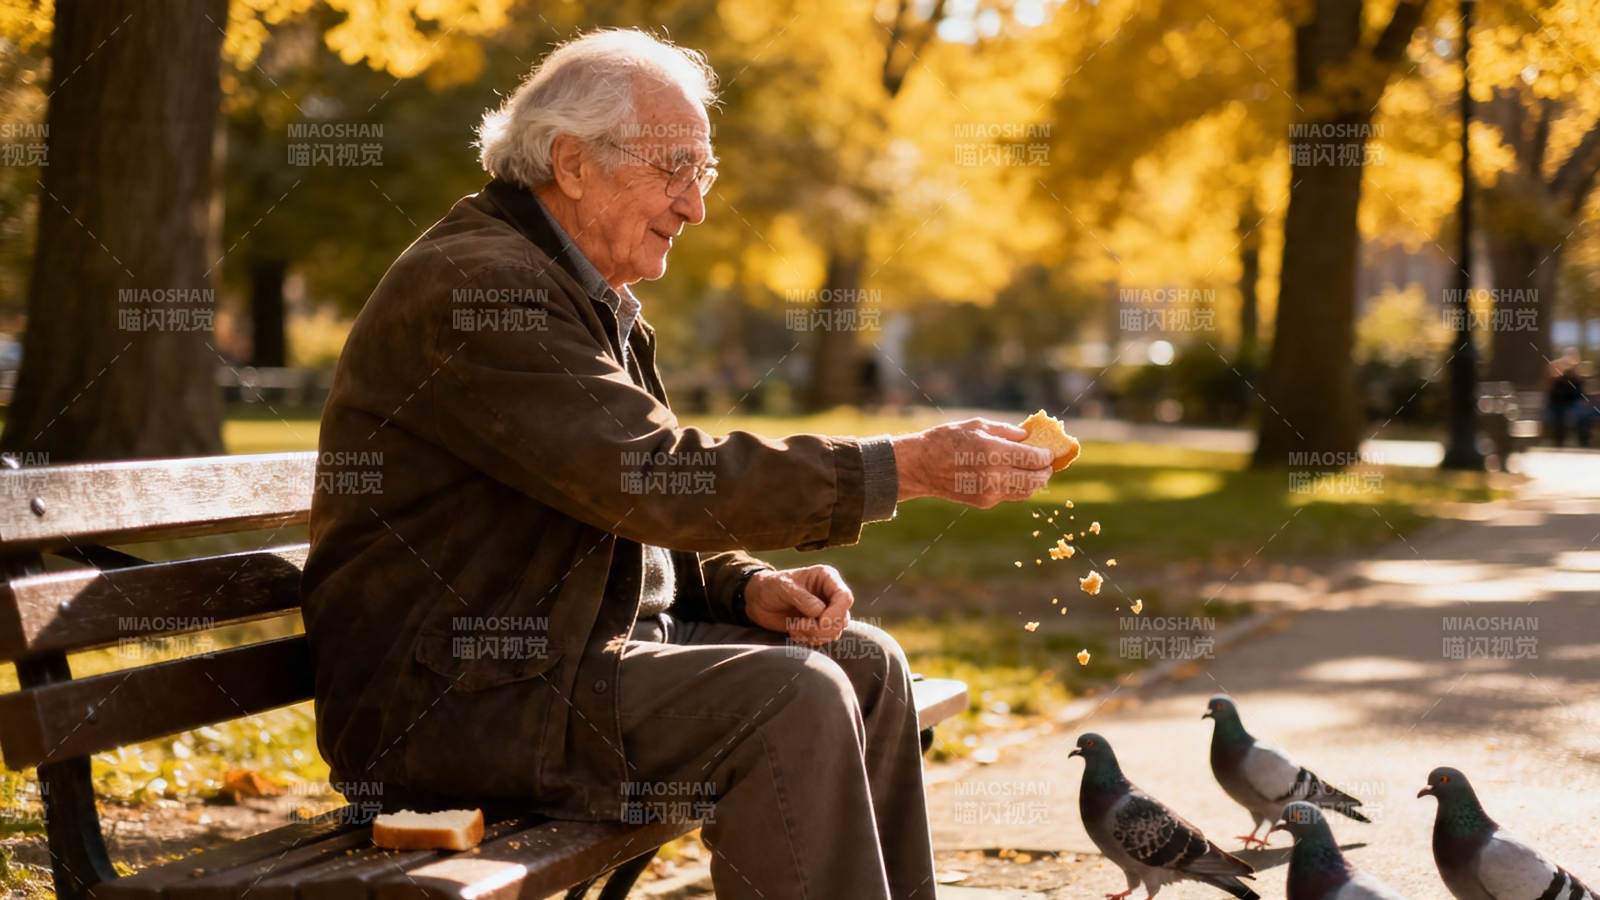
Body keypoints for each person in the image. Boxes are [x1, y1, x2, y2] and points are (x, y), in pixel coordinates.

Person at [300, 28, 1057, 900]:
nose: (695, 206)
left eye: (704, 172)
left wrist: (739, 588)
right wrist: (903, 467)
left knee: (865, 664)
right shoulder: (480, 289)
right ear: (572, 162)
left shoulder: (582, 293)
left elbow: (628, 502)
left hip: (558, 663)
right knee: (790, 699)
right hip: (456, 700)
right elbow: (654, 476)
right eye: (675, 169)